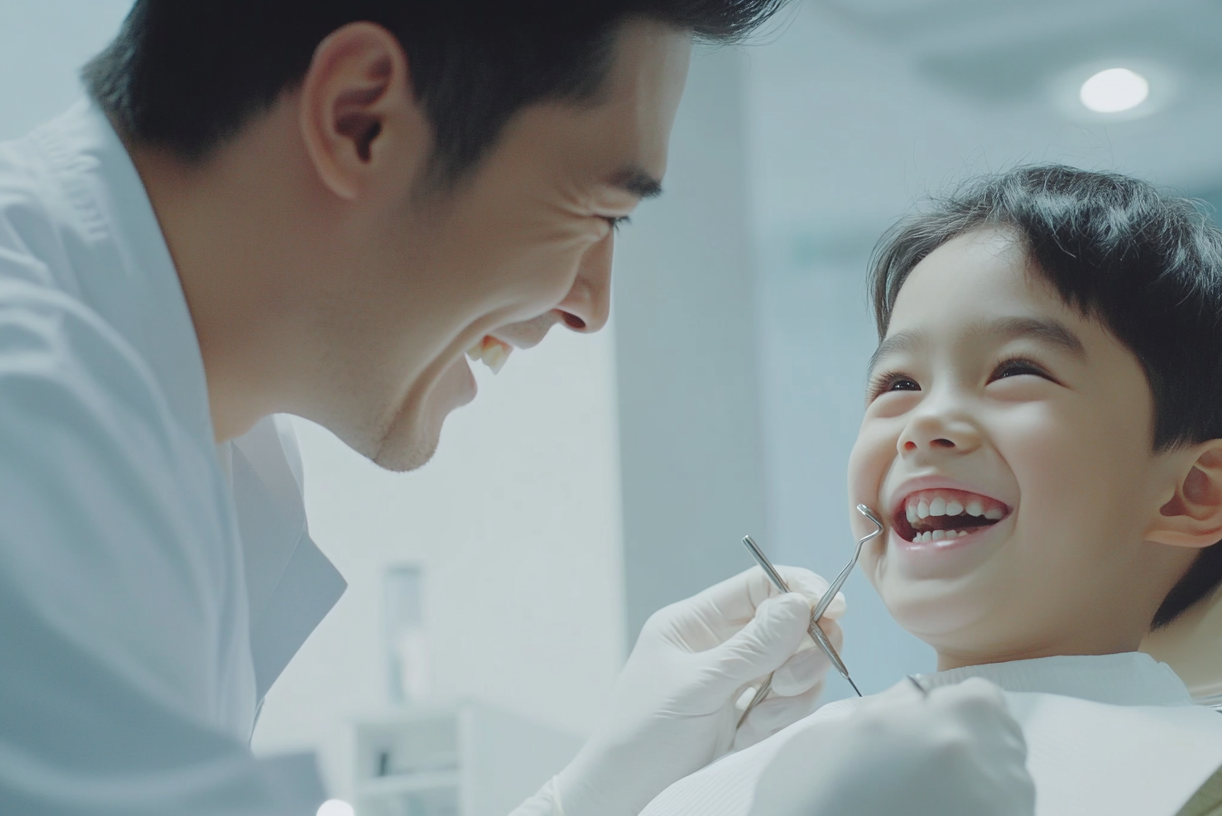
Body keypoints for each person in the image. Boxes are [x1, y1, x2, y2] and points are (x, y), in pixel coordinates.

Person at [0, 2, 1036, 815]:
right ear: (360, 118)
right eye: (594, 210)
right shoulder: (30, 413)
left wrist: (596, 794)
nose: (590, 307)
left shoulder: (203, 435)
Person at [638, 166, 1222, 816]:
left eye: (1016, 370)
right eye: (897, 383)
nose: (924, 422)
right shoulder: (715, 792)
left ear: (1189, 493)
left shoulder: (1220, 789)